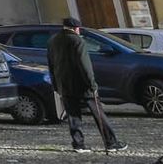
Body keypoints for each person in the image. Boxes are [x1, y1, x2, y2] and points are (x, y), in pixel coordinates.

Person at [47, 17, 121, 154]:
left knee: (73, 115)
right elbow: (84, 64)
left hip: (64, 84)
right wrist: (92, 84)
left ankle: (78, 144)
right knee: (98, 114)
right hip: (82, 84)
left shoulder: (53, 40)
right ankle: (111, 143)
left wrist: (55, 84)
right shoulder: (77, 40)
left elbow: (51, 65)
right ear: (76, 29)